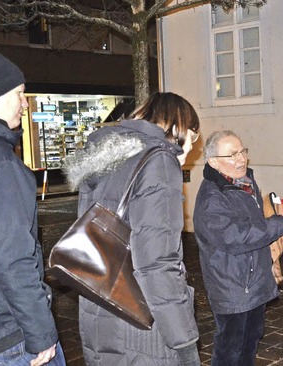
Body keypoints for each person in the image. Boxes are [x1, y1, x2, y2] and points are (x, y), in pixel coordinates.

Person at [63, 92, 201, 365]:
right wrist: (184, 341)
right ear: (177, 129)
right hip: (140, 323)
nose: (191, 150)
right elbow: (157, 262)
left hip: (99, 307)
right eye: (192, 139)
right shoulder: (160, 161)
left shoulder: (107, 154)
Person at [0, 51, 65, 365]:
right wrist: (41, 333)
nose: (25, 104)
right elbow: (12, 259)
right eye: (20, 94)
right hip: (8, 336)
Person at [193, 130, 283, 366]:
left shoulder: (245, 183)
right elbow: (235, 238)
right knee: (230, 348)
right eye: (232, 154)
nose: (241, 159)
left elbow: (253, 224)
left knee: (251, 341)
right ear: (214, 162)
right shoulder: (211, 198)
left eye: (243, 151)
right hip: (232, 285)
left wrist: (271, 260)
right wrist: (277, 225)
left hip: (253, 282)